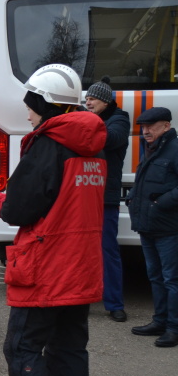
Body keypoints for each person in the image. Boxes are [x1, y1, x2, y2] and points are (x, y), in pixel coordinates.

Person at [0, 64, 107, 376]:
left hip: (48, 266)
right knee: (69, 349)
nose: (27, 113)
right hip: (81, 265)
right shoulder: (92, 146)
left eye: (32, 104)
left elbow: (21, 207)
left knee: (22, 347)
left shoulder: (49, 144)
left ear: (45, 102)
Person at [127, 107, 178, 348]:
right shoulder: (153, 149)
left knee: (171, 279)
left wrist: (161, 202)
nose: (145, 131)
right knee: (156, 277)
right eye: (143, 127)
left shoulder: (174, 149)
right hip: (148, 225)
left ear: (166, 126)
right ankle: (159, 321)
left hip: (168, 228)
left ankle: (174, 328)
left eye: (151, 126)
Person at [85, 77, 130, 322]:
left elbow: (108, 139)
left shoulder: (120, 119)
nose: (87, 102)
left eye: (91, 98)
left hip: (105, 198)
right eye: (86, 99)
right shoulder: (92, 118)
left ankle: (114, 304)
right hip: (83, 195)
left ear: (104, 100)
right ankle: (80, 298)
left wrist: (84, 125)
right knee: (81, 250)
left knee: (107, 250)